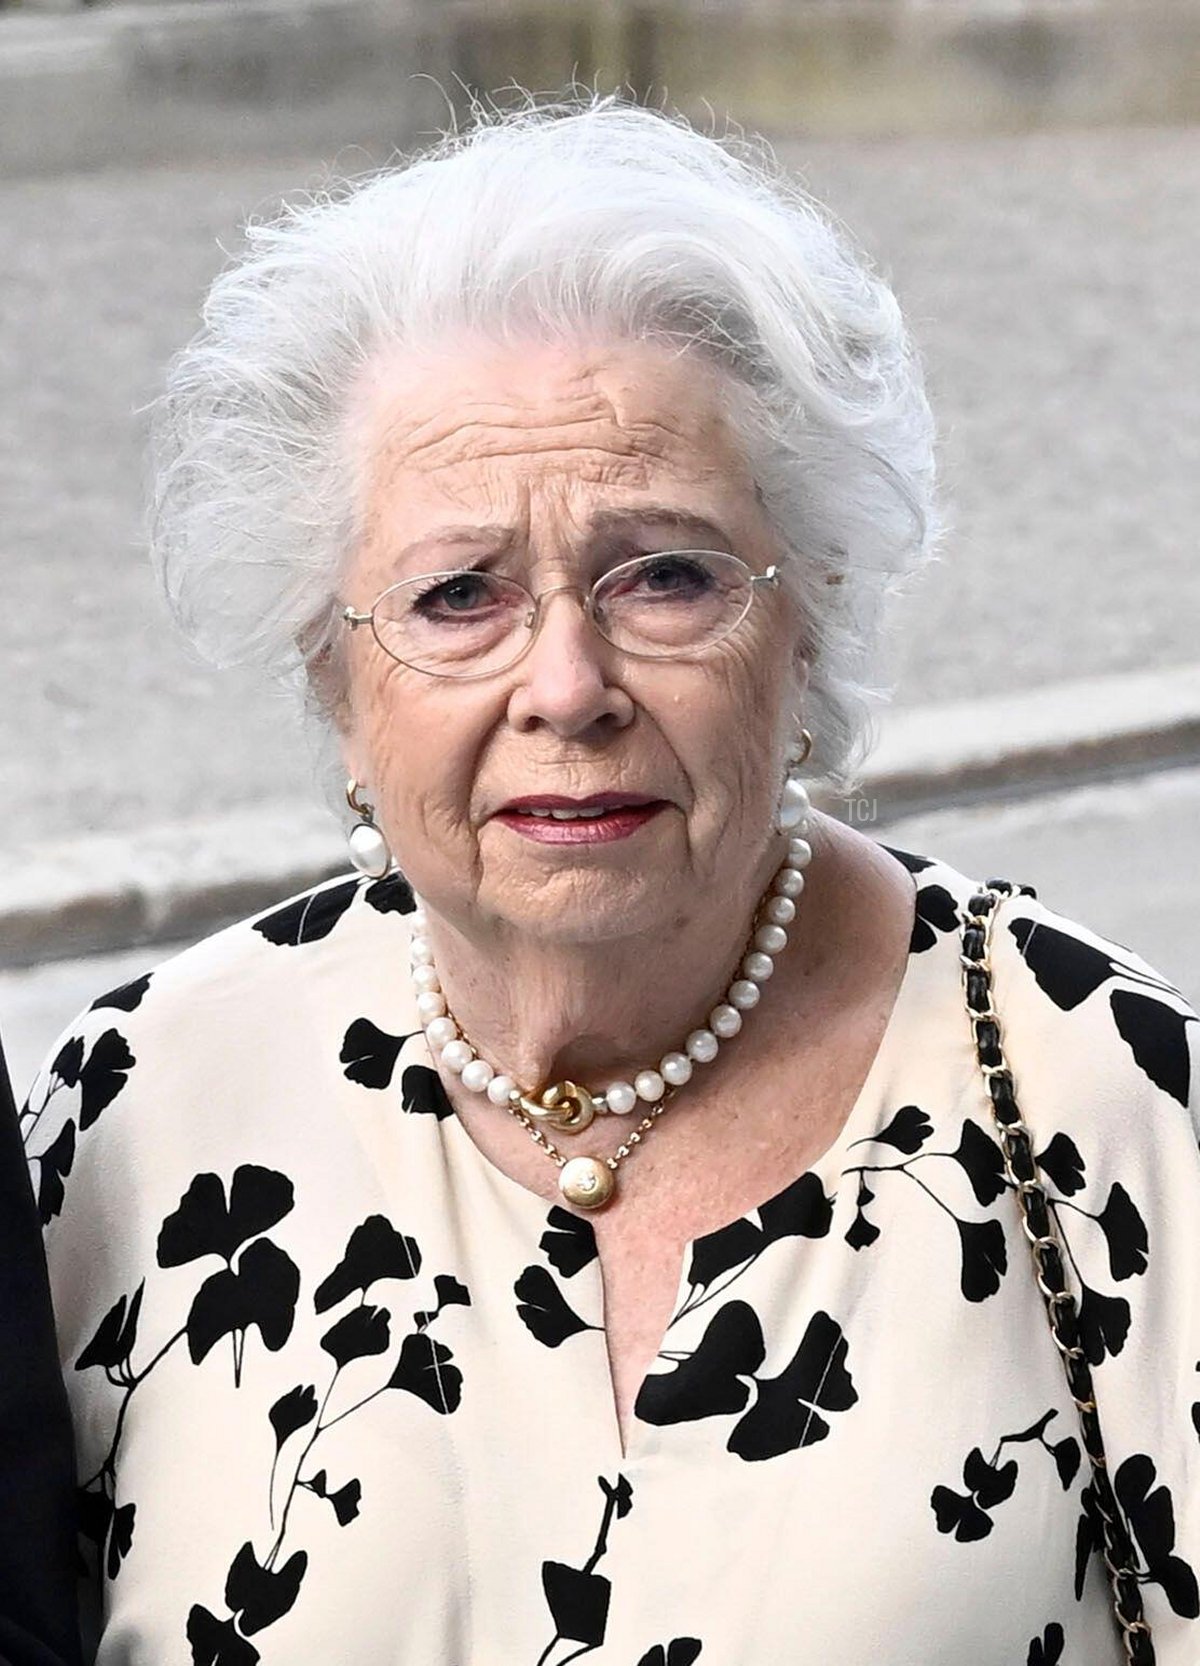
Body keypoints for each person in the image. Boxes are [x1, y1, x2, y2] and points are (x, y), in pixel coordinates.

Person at [19, 97, 1197, 1664]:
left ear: (810, 618)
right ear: (332, 670)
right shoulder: (138, 1114)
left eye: (668, 574)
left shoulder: (1110, 1104)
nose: (566, 684)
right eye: (457, 594)